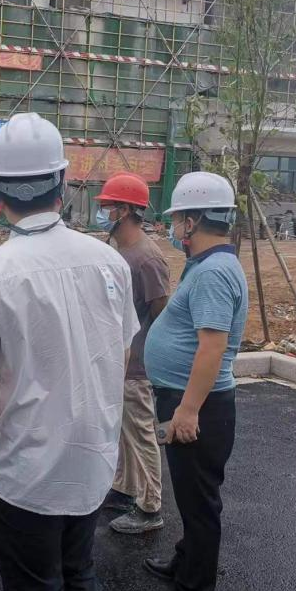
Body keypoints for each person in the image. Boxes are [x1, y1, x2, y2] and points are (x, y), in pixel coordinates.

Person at [0, 112, 140, 591]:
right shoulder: (109, 262)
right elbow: (119, 356)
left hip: (23, 473)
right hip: (91, 461)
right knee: (79, 575)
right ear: (63, 184)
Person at [137, 171, 247, 591]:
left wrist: (187, 409)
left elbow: (212, 347)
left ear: (193, 220)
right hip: (188, 399)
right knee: (190, 493)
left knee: (200, 505)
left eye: (177, 217)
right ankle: (185, 561)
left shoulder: (215, 272)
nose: (173, 225)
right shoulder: (206, 263)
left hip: (197, 405)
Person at [94, 173, 171, 535]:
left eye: (107, 206)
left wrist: (147, 358)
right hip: (118, 360)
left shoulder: (147, 258)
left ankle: (150, 506)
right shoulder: (116, 248)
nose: (103, 212)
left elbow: (161, 313)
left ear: (124, 210)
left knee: (141, 433)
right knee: (123, 429)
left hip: (137, 364)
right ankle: (125, 487)